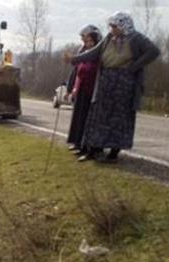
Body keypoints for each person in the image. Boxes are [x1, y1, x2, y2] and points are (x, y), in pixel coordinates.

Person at [66, 11, 159, 163]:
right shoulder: (109, 38)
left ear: (123, 25)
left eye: (114, 26)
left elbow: (154, 51)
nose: (112, 29)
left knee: (119, 118)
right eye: (111, 26)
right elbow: (93, 53)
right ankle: (93, 150)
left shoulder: (136, 38)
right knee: (98, 116)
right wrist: (74, 59)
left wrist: (135, 66)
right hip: (106, 81)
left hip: (125, 83)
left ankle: (113, 153)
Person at [66, 25, 102, 156]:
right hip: (81, 90)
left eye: (90, 41)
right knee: (78, 118)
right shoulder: (83, 53)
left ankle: (86, 147)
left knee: (87, 120)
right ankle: (77, 143)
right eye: (85, 41)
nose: (87, 44)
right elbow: (76, 72)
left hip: (91, 91)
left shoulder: (97, 56)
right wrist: (71, 88)